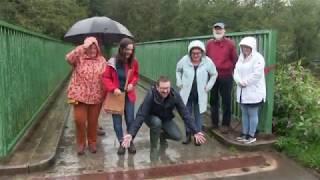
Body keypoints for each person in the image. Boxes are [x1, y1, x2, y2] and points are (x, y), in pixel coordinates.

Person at [121, 76, 206, 158]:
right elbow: (141, 115)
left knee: (178, 136)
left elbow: (185, 113)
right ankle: (154, 148)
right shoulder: (151, 95)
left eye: (167, 88)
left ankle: (161, 135)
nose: (165, 91)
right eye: (163, 88)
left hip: (165, 118)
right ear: (157, 87)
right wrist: (131, 134)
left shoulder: (174, 95)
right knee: (156, 122)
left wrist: (195, 131)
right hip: (151, 117)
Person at [66, 36, 107, 155]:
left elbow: (107, 75)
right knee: (79, 120)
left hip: (96, 96)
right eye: (90, 47)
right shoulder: (79, 58)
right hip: (78, 95)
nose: (92, 50)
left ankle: (92, 142)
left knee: (93, 121)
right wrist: (82, 47)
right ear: (85, 48)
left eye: (95, 47)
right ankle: (80, 143)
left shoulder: (102, 60)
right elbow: (68, 58)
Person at [176, 40, 217, 145]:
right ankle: (188, 134)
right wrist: (179, 81)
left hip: (200, 93)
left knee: (199, 115)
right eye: (193, 53)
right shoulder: (185, 60)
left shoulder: (207, 61)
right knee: (187, 115)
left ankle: (198, 136)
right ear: (190, 53)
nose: (196, 55)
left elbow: (214, 74)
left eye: (198, 53)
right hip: (187, 92)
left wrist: (208, 86)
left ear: (202, 52)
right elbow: (178, 70)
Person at [102, 38, 139, 155]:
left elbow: (136, 75)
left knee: (130, 120)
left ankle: (130, 141)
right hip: (116, 95)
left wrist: (132, 84)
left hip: (129, 95)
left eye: (131, 50)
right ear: (121, 48)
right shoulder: (112, 62)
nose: (129, 52)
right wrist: (113, 88)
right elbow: (105, 77)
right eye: (127, 49)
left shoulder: (134, 62)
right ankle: (121, 143)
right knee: (117, 122)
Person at [206, 22, 238, 133]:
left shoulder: (230, 44)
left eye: (220, 29)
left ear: (224, 31)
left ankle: (226, 124)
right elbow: (206, 59)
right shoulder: (209, 44)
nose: (218, 31)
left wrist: (232, 72)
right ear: (213, 31)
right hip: (213, 76)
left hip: (226, 76)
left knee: (226, 100)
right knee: (213, 100)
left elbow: (235, 59)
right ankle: (214, 123)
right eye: (216, 29)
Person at [233, 36, 266, 144]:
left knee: (252, 113)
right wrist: (238, 81)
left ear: (252, 47)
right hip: (242, 91)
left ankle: (251, 135)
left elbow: (257, 75)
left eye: (247, 47)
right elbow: (236, 71)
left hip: (254, 92)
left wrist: (245, 82)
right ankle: (244, 133)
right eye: (243, 47)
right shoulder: (241, 58)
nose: (245, 49)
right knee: (244, 113)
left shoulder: (258, 58)